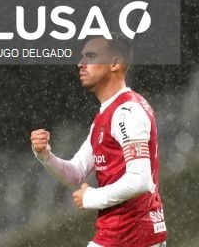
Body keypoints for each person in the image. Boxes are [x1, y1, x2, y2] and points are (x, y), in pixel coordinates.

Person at [30, 33, 167, 247]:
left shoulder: (127, 111)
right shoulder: (107, 115)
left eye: (91, 56)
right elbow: (76, 173)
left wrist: (91, 197)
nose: (81, 63)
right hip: (124, 236)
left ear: (115, 64)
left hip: (129, 237)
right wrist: (45, 156)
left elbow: (140, 180)